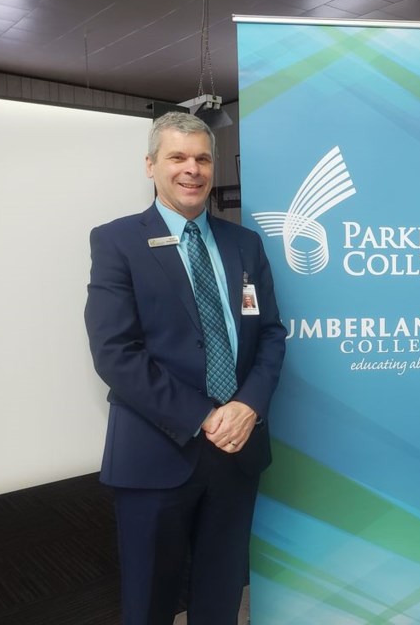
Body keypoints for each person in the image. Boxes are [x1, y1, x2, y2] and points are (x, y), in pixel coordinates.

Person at [84, 112, 286, 624]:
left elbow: (270, 335)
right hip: (156, 451)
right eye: (177, 157)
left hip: (237, 450)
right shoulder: (117, 242)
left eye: (201, 158)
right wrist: (203, 415)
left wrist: (246, 405)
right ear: (151, 165)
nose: (191, 169)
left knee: (220, 596)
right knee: (150, 599)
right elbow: (115, 351)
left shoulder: (244, 244)